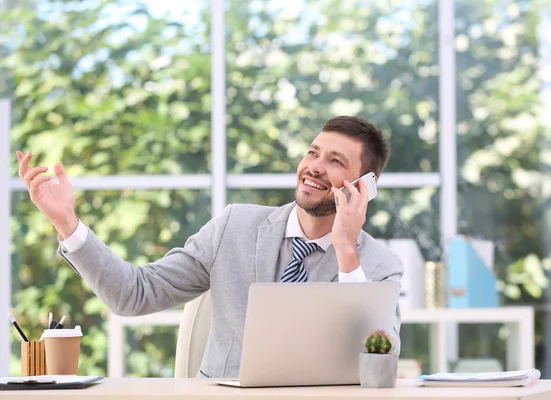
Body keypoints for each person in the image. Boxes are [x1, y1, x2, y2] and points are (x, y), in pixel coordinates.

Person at [16, 115, 404, 378]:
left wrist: (346, 250)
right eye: (312, 153)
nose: (315, 166)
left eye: (335, 161)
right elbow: (132, 295)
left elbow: (379, 367)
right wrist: (66, 221)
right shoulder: (234, 227)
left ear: (363, 185)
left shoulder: (379, 265)